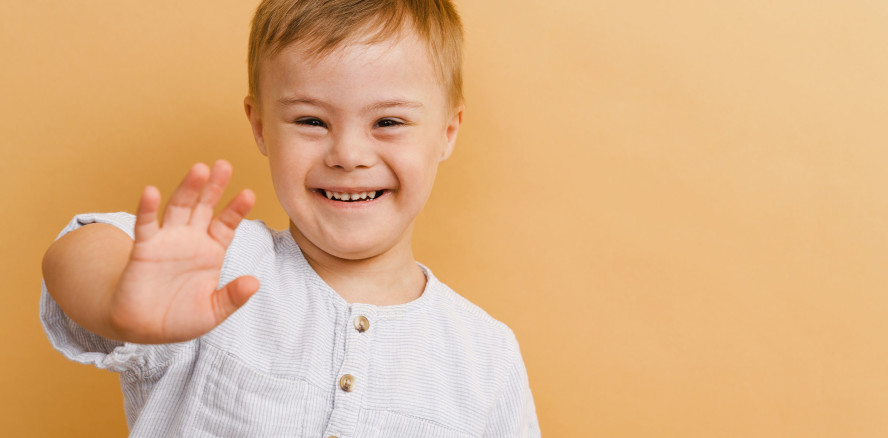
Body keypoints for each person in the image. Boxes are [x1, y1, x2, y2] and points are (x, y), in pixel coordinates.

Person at [40, 0, 540, 436]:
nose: (348, 154)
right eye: (310, 121)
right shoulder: (216, 271)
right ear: (260, 127)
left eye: (388, 122)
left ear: (447, 132)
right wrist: (116, 296)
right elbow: (80, 247)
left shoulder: (486, 357)